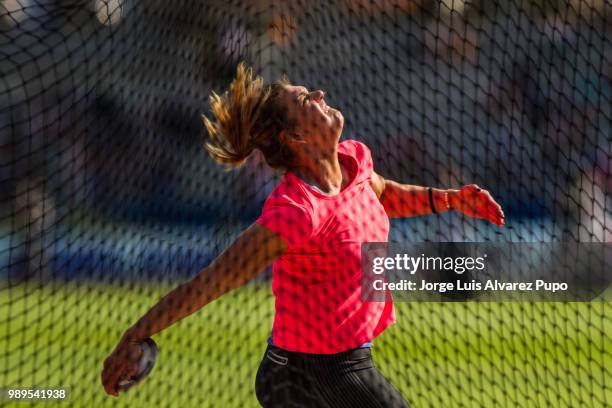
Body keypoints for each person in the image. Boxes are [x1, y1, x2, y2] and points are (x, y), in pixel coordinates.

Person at [101, 63, 505, 407]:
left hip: (310, 366)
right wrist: (138, 333)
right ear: (294, 138)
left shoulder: (354, 161)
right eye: (306, 100)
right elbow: (214, 280)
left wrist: (450, 200)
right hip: (315, 371)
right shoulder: (297, 211)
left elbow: (382, 195)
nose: (319, 92)